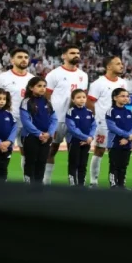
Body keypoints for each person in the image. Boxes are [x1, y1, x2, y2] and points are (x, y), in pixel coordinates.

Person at [44, 45, 89, 185]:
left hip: (75, 120)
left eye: (78, 53)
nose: (76, 55)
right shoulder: (54, 74)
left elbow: (83, 96)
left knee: (75, 152)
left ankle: (74, 183)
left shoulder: (83, 75)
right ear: (63, 56)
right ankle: (46, 181)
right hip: (57, 119)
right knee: (52, 149)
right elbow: (46, 97)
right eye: (72, 53)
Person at [0, 48, 34, 179]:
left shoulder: (33, 79)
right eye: (20, 57)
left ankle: (28, 182)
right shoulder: (2, 78)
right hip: (6, 121)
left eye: (26, 57)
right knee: (2, 151)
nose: (23, 59)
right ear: (12, 60)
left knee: (27, 153)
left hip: (27, 121)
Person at [86, 55, 127, 187]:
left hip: (119, 123)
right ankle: (93, 181)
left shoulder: (123, 83)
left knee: (117, 152)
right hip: (103, 124)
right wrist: (98, 116)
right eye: (118, 63)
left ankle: (116, 182)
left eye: (121, 63)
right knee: (99, 150)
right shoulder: (98, 83)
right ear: (109, 66)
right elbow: (89, 102)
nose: (121, 66)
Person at [20, 77, 58, 184]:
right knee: (30, 162)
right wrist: (39, 134)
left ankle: (38, 188)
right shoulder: (26, 102)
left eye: (44, 86)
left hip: (46, 137)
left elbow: (54, 119)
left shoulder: (47, 101)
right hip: (31, 137)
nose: (42, 88)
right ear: (31, 87)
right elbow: (26, 121)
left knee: (42, 163)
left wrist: (49, 133)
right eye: (39, 86)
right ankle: (28, 187)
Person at [105, 88, 132, 189]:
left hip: (127, 143)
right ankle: (114, 185)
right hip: (114, 143)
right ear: (115, 98)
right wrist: (127, 135)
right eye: (122, 96)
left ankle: (122, 185)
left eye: (127, 96)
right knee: (114, 165)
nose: (126, 98)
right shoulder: (111, 111)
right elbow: (112, 127)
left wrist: (128, 138)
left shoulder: (129, 112)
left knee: (124, 165)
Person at [65, 89, 96, 187]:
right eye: (78, 97)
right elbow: (72, 129)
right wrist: (86, 137)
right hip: (74, 142)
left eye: (83, 97)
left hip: (87, 142)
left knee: (83, 164)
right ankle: (73, 185)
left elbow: (93, 126)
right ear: (73, 100)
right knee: (73, 163)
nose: (82, 99)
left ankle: (81, 185)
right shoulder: (71, 112)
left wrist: (91, 137)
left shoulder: (89, 112)